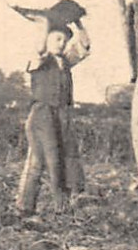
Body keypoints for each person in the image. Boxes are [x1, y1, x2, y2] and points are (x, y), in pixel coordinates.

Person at [15, 18, 91, 215]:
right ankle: (24, 206)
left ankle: (62, 207)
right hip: (42, 116)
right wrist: (46, 23)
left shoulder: (64, 62)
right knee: (39, 162)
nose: (62, 43)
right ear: (47, 39)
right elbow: (40, 48)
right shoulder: (39, 60)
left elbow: (84, 47)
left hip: (61, 116)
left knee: (64, 158)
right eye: (57, 39)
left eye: (65, 40)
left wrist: (79, 25)